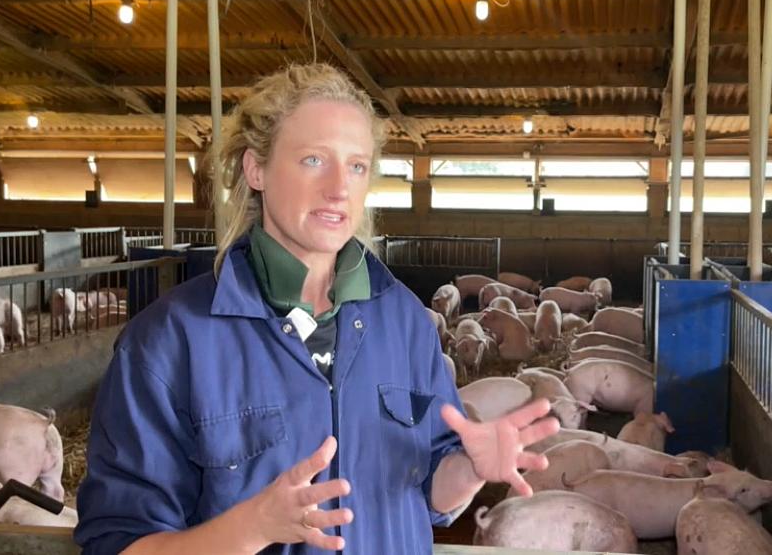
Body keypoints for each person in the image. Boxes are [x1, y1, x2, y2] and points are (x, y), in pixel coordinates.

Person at [74, 63, 559, 555]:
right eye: (313, 159)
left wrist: (470, 470)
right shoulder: (169, 341)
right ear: (256, 169)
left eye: (357, 166)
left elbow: (430, 490)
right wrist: (251, 527)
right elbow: (119, 544)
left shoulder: (405, 321)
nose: (339, 188)